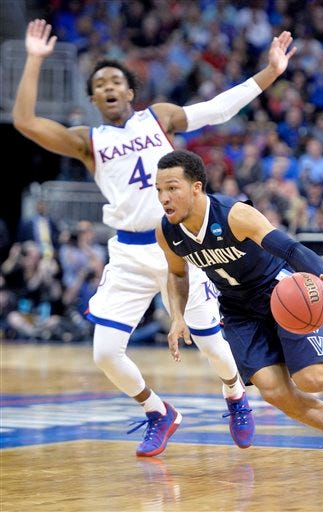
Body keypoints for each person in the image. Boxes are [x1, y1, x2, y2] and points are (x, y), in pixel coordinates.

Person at [12, 19, 296, 456]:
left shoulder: (158, 118)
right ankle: (158, 412)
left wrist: (271, 72)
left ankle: (236, 395)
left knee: (210, 342)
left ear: (130, 91)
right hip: (127, 250)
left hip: (180, 245)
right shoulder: (88, 141)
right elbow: (25, 121)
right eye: (100, 83)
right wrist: (33, 59)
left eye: (116, 81)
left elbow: (218, 108)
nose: (108, 87)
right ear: (93, 99)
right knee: (105, 353)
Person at [155, 149, 323, 477]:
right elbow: (177, 274)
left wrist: (321, 274)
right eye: (158, 190)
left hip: (280, 291)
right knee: (275, 392)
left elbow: (289, 248)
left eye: (172, 188)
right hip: (237, 308)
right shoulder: (168, 231)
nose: (164, 197)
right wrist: (177, 316)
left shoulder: (234, 215)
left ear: (197, 187)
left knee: (312, 378)